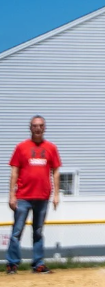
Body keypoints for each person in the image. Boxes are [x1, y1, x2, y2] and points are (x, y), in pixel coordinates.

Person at [6, 115, 62, 274]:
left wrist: (56, 194)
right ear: (30, 128)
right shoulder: (21, 147)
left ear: (45, 128)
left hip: (42, 197)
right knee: (17, 231)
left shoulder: (51, 148)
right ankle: (12, 263)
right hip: (23, 197)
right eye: (35, 126)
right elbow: (14, 171)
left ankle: (38, 263)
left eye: (41, 125)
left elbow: (56, 172)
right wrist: (12, 195)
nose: (38, 128)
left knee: (38, 231)